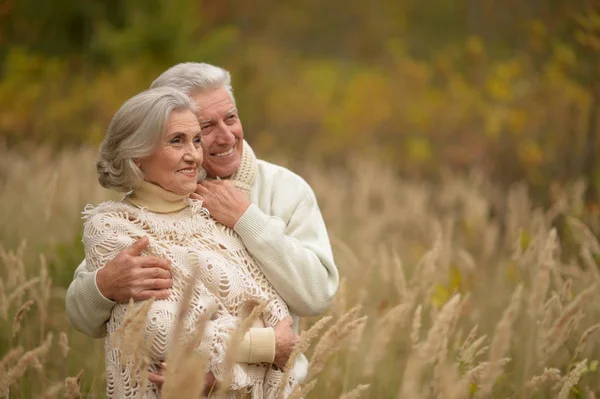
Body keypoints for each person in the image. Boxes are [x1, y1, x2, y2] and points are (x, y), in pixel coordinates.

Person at [66, 62, 339, 385]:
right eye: (205, 127)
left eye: (231, 118)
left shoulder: (285, 188)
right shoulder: (146, 205)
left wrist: (246, 218)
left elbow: (315, 296)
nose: (226, 136)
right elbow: (87, 317)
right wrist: (105, 286)